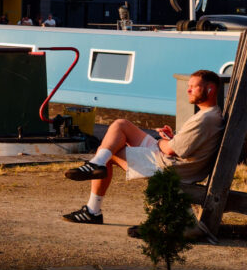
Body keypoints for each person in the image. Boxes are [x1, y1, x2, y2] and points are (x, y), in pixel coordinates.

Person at [61, 69, 223, 224]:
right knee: (121, 124)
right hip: (171, 158)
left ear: (210, 89)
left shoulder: (205, 119)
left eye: (194, 87)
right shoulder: (210, 114)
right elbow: (184, 145)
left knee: (108, 153)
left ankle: (92, 210)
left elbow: (170, 149)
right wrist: (172, 138)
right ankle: (97, 164)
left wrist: (162, 142)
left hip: (169, 166)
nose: (188, 90)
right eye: (188, 86)